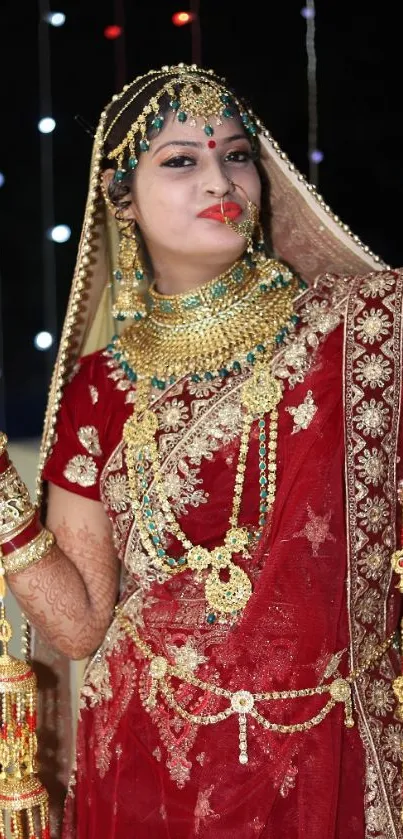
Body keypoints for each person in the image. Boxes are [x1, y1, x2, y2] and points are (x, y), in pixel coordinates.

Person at [0, 62, 402, 839]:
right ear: (121, 200)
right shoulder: (98, 385)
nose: (220, 177)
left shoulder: (365, 327)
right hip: (151, 760)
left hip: (328, 748)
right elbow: (81, 625)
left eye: (236, 154)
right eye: (180, 160)